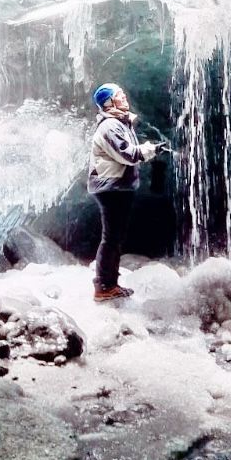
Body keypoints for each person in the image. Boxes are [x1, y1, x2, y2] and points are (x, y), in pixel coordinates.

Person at [87, 83, 158, 302]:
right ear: (108, 103)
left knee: (114, 238)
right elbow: (127, 154)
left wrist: (146, 149)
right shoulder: (110, 126)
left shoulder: (120, 123)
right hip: (110, 187)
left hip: (117, 186)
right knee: (110, 239)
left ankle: (110, 284)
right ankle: (103, 287)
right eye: (119, 95)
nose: (124, 97)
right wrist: (149, 150)